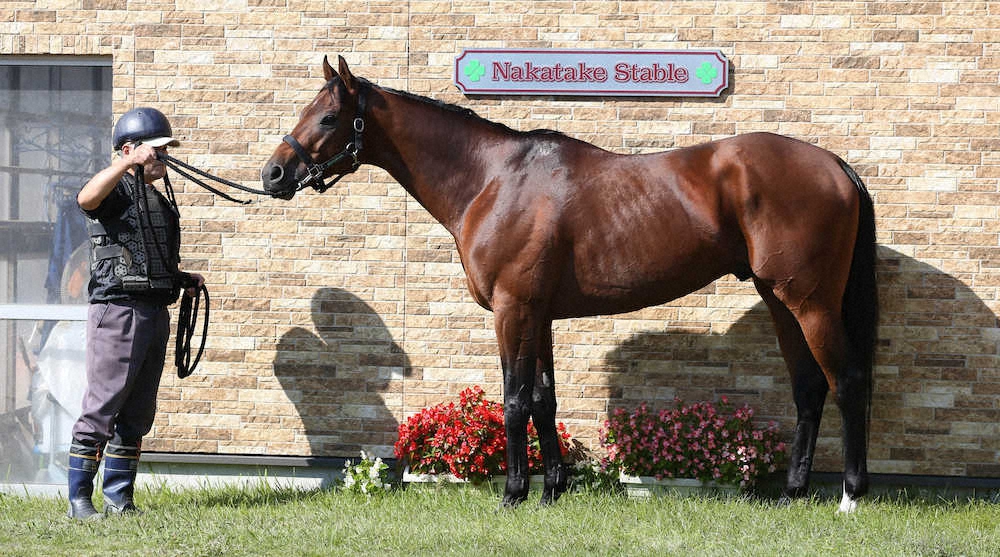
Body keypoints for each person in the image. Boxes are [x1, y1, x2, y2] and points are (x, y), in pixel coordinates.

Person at [67, 107, 204, 520]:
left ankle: (120, 499)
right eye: (157, 150)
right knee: (102, 408)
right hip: (118, 312)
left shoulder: (156, 201)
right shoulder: (114, 189)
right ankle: (79, 501)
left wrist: (180, 278)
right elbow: (85, 199)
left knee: (138, 412)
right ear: (130, 150)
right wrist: (125, 162)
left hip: (152, 313)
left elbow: (146, 256)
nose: (165, 157)